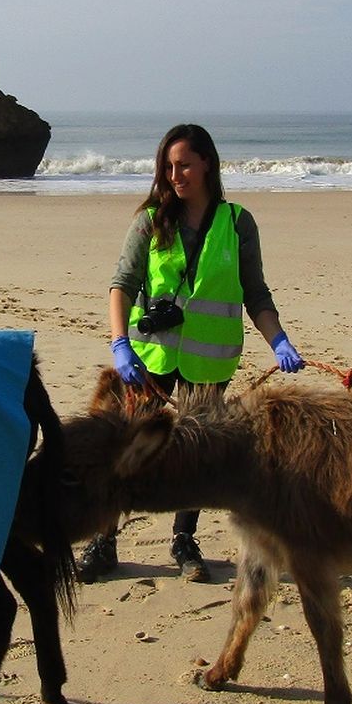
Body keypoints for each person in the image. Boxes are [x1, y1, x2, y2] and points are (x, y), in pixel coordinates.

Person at [80, 123, 304, 584]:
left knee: (195, 455)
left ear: (207, 163)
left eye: (184, 164)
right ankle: (105, 540)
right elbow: (121, 284)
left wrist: (279, 340)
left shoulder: (238, 222)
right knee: (126, 450)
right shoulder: (148, 220)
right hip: (148, 360)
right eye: (168, 166)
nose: (175, 174)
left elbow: (255, 294)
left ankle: (184, 540)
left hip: (210, 360)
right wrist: (120, 344)